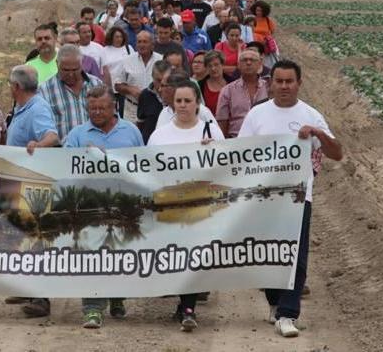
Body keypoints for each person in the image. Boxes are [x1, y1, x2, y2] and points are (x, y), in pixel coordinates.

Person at [238, 60, 343, 338]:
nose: (284, 86)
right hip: (262, 196)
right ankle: (274, 301)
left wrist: (319, 134)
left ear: (299, 83)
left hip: (298, 196)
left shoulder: (311, 115)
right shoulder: (257, 115)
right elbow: (241, 154)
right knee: (267, 251)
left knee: (296, 254)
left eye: (289, 81)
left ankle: (288, 313)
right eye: (279, 81)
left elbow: (337, 153)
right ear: (270, 83)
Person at [64, 85, 144, 328]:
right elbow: (64, 164)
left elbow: (144, 165)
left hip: (123, 204)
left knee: (120, 254)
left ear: (114, 107)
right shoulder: (77, 134)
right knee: (91, 257)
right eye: (92, 108)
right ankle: (92, 309)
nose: (96, 112)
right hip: (90, 205)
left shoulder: (131, 131)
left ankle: (117, 297)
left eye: (102, 108)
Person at [147, 81, 224, 332]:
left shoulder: (210, 132)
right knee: (176, 255)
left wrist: (211, 151)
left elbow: (226, 164)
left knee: (195, 255)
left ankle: (188, 308)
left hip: (201, 206)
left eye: (187, 101)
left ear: (197, 103)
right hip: (170, 205)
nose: (182, 105)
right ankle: (183, 302)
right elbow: (148, 170)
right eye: (178, 101)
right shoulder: (160, 135)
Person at [4, 65, 60, 315]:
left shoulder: (37, 107)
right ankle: (28, 287)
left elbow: (52, 136)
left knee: (36, 239)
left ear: (16, 87)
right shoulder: (23, 106)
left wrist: (39, 144)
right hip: (19, 182)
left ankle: (41, 298)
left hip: (32, 186)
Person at [39, 44, 103, 142]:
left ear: (82, 65)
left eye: (75, 69)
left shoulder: (96, 84)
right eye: (65, 70)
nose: (70, 74)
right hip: (62, 152)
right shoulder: (44, 90)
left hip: (96, 151)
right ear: (57, 64)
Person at [215, 49, 268, 137]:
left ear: (259, 64)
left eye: (252, 60)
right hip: (237, 142)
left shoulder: (269, 88)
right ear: (238, 65)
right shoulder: (228, 90)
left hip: (265, 141)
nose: (248, 63)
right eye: (244, 60)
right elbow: (222, 121)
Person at [113, 31, 161, 123]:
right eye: (139, 42)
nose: (141, 45)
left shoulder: (161, 60)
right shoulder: (126, 61)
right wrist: (130, 89)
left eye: (145, 42)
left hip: (155, 108)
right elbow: (117, 85)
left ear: (152, 44)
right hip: (132, 109)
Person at [136, 60, 172, 143]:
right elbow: (141, 123)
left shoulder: (177, 95)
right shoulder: (145, 95)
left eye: (165, 80)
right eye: (158, 80)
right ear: (152, 76)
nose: (161, 84)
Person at [198, 50, 231, 115]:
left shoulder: (232, 83)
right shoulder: (200, 85)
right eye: (209, 66)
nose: (213, 68)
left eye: (216, 64)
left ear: (222, 64)